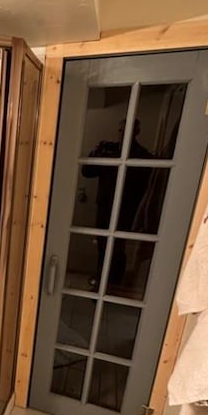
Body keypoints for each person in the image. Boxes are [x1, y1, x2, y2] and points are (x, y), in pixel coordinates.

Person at [81, 118, 151, 289]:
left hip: (125, 210)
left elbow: (144, 187)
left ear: (136, 132)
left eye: (128, 129)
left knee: (118, 248)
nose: (123, 133)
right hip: (104, 207)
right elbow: (87, 172)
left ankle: (111, 284)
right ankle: (102, 279)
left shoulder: (143, 156)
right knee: (103, 245)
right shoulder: (109, 152)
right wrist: (96, 153)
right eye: (121, 130)